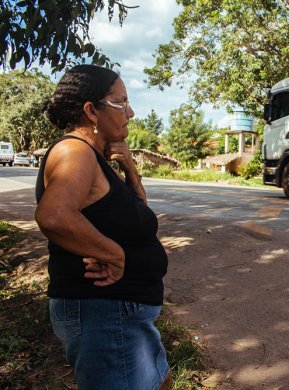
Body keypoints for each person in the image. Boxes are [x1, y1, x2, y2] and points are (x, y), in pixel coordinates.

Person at [35, 65, 171, 390]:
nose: (131, 112)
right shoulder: (74, 151)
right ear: (91, 111)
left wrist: (130, 170)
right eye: (121, 103)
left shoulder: (96, 159)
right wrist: (113, 254)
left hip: (124, 317)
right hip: (105, 317)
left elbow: (139, 216)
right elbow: (54, 215)